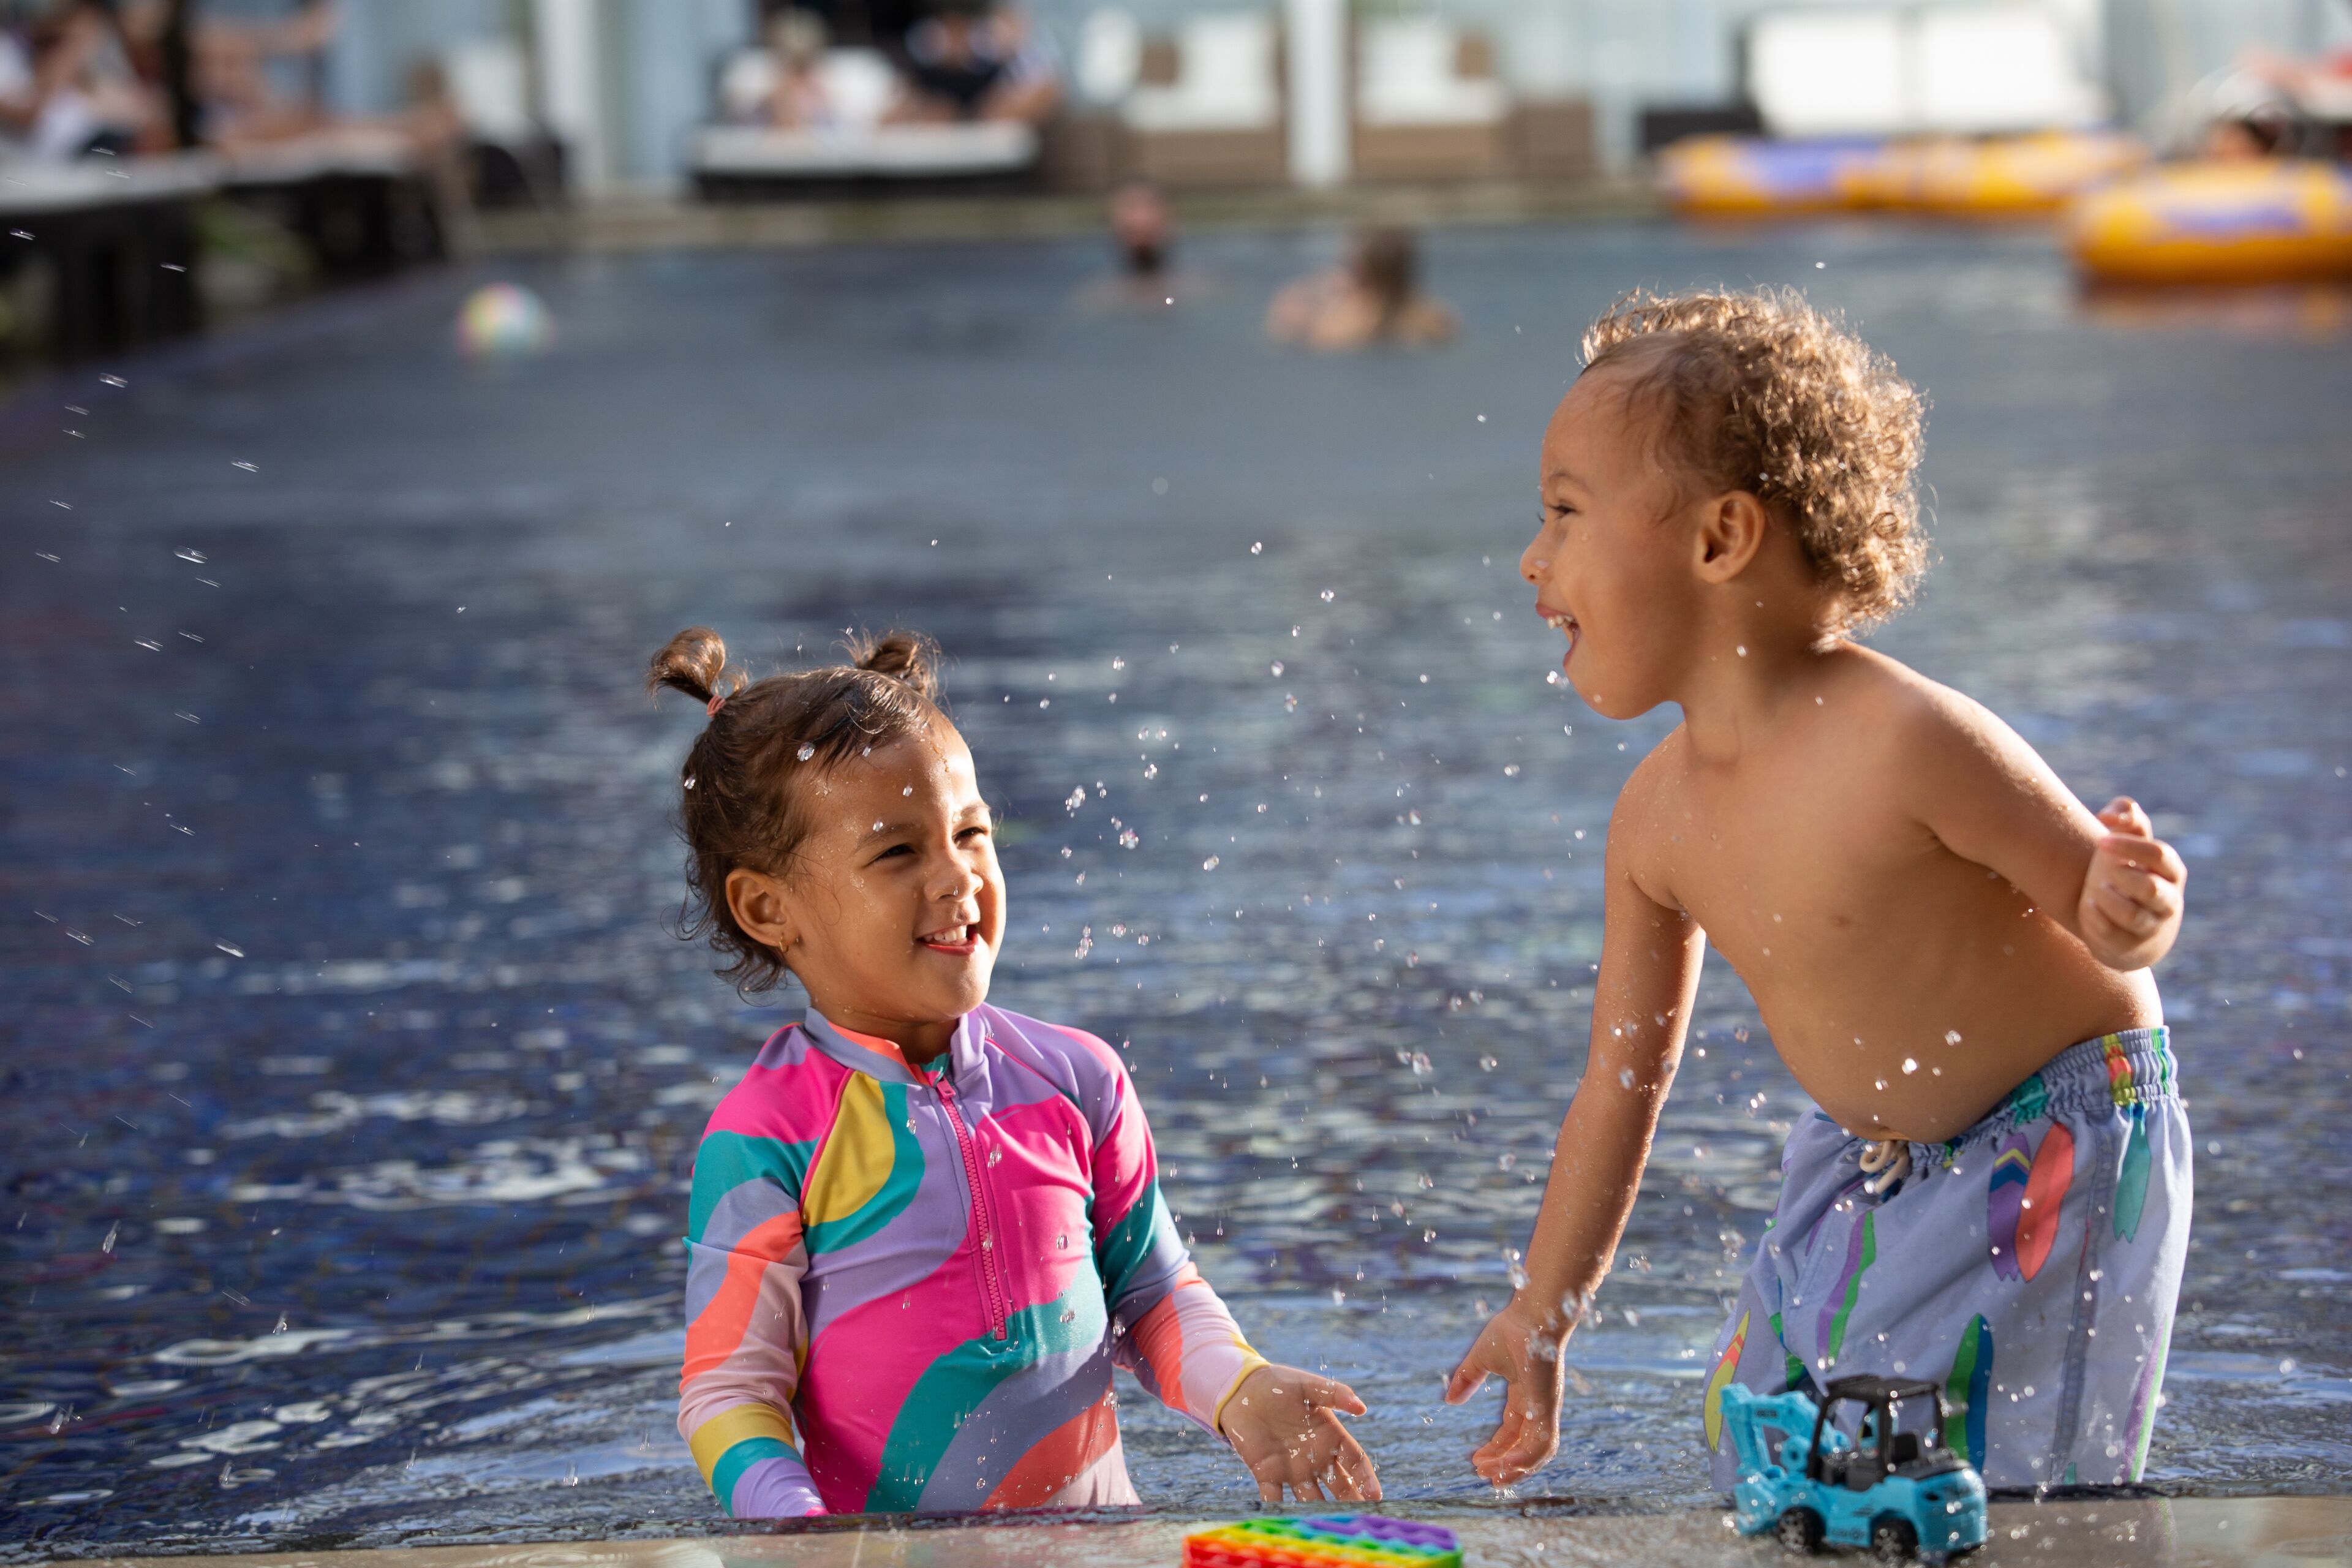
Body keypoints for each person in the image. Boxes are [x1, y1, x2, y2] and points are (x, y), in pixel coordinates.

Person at [1443, 288, 2190, 1494]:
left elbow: (2101, 908)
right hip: (1864, 1157)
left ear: (1720, 539)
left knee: (1996, 1483)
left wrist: (2131, 901)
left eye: (1566, 513)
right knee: (1769, 1448)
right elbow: (1620, 1083)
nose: (1534, 557)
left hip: (2054, 1139)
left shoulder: (1906, 741)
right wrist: (1545, 1308)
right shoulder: (1654, 818)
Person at [650, 628, 1380, 1516]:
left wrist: (1238, 1385)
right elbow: (731, 1394)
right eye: (898, 852)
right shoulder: (770, 1136)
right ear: (768, 907)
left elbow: (1152, 1294)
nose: (958, 877)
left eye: (970, 833)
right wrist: (800, 1532)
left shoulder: (1076, 1081)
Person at [1265, 227, 1457, 352]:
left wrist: (1297, 300)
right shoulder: (1434, 318)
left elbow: (1283, 336)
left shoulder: (1340, 325)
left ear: (1360, 269)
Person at [894, 0, 1058, 126]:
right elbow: (902, 107)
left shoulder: (1000, 47)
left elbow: (1044, 91)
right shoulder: (923, 52)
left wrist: (984, 115)